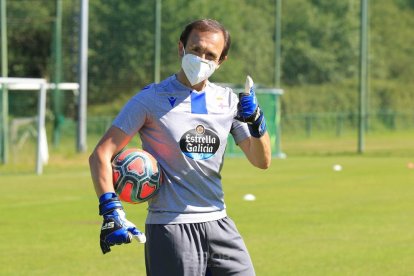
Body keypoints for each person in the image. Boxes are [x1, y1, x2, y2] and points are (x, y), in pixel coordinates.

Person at [89, 18, 271, 276]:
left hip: (220, 223)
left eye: (211, 55)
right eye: (196, 49)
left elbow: (260, 160)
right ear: (181, 49)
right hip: (171, 227)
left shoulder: (228, 101)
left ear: (221, 62)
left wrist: (257, 123)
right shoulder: (150, 99)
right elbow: (101, 154)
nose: (201, 58)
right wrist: (110, 211)